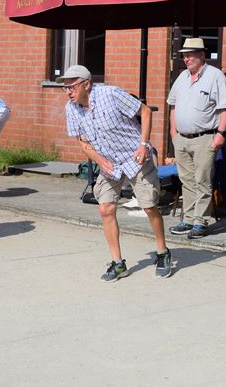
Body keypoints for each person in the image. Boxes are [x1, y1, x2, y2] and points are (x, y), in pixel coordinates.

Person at [61, 64, 171, 281]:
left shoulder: (111, 94)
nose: (68, 92)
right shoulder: (71, 109)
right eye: (65, 88)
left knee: (149, 207)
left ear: (87, 84)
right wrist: (100, 160)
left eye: (72, 87)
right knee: (106, 209)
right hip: (109, 162)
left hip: (135, 157)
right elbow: (83, 143)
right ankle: (118, 263)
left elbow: (146, 112)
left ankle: (162, 252)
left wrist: (143, 144)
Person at [167, 37, 226, 239]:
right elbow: (173, 105)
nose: (186, 59)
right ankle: (188, 219)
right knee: (186, 180)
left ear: (201, 55)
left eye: (189, 55)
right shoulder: (182, 77)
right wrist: (173, 133)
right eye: (184, 56)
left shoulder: (215, 76)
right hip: (182, 138)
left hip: (205, 137)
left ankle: (201, 221)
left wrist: (221, 134)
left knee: (202, 180)